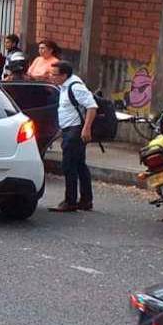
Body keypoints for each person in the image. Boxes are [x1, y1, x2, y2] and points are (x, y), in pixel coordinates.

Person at [46, 61, 96, 213]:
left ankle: (70, 201)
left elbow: (92, 106)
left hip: (75, 131)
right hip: (69, 129)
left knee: (69, 166)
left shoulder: (75, 87)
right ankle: (86, 200)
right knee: (80, 164)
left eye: (54, 75)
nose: (51, 77)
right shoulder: (64, 87)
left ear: (64, 75)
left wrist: (86, 128)